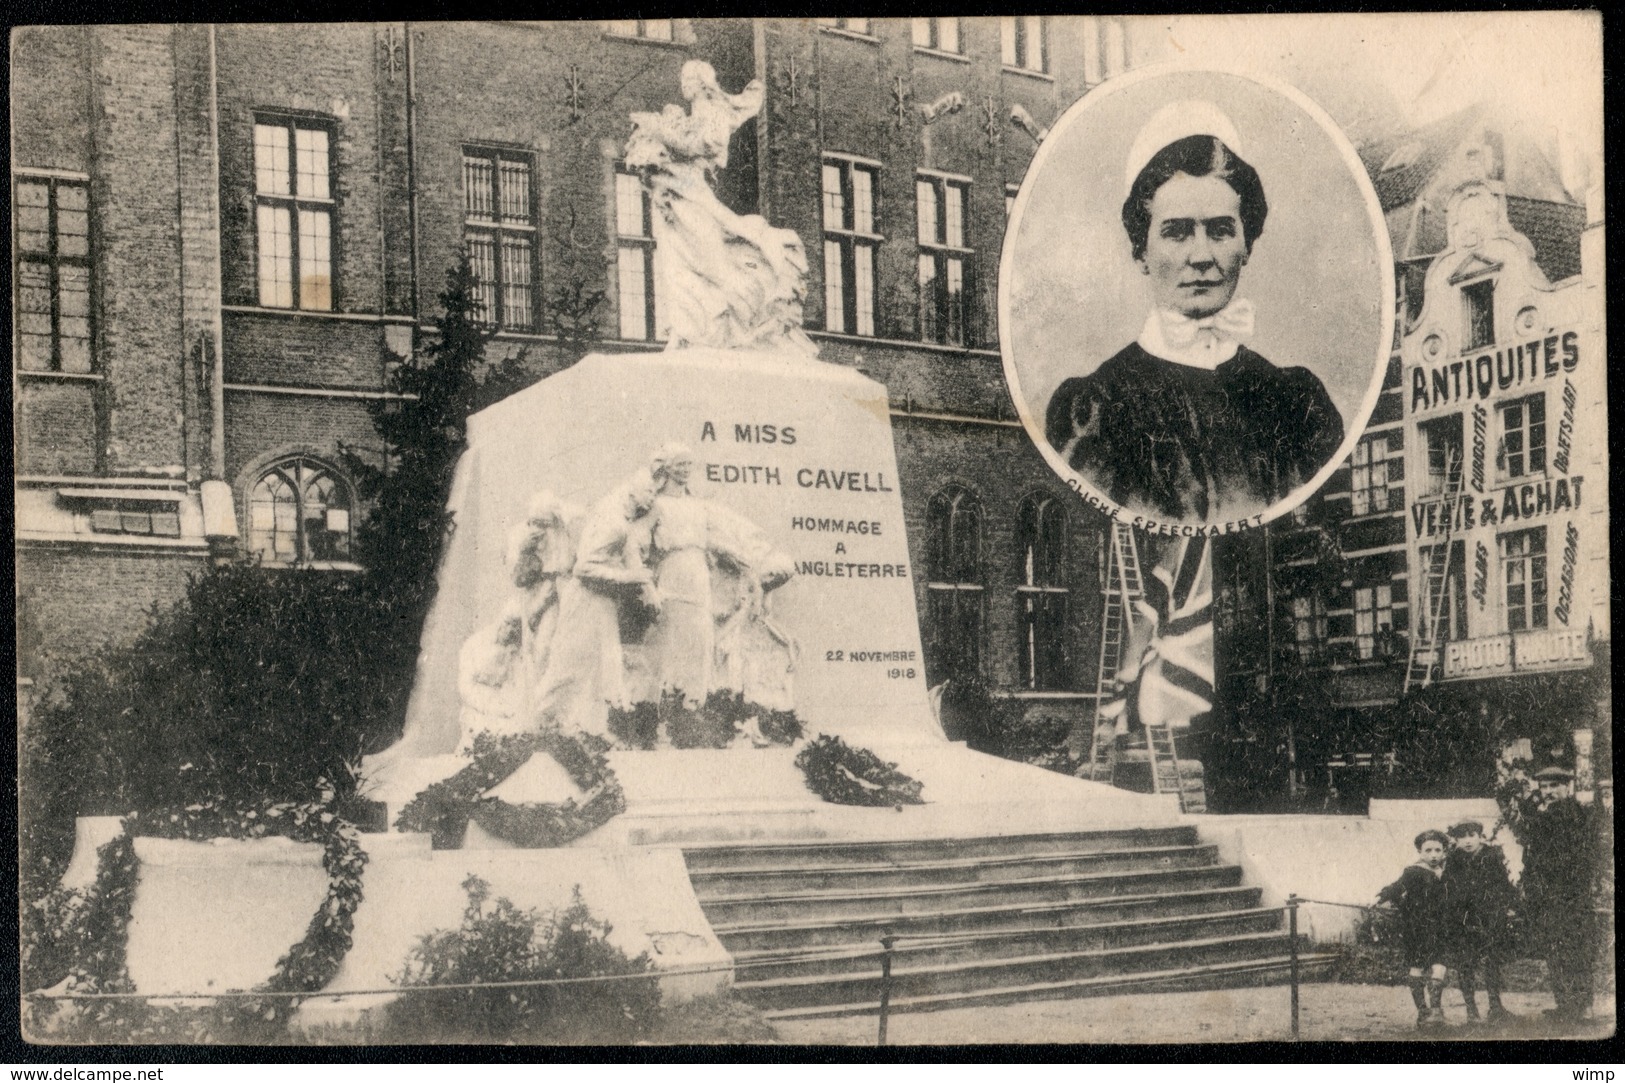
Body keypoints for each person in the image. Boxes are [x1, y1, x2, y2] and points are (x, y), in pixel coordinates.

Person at [1044, 101, 1344, 523]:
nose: (1201, 256)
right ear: (1141, 250)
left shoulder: (1295, 403)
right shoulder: (1094, 410)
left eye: (1220, 231)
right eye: (1177, 232)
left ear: (1247, 245)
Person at [1519, 764, 1603, 1024]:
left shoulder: (1579, 814)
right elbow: (1531, 855)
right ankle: (1565, 1004)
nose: (1548, 791)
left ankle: (1584, 1006)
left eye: (1554, 786)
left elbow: (1583, 856)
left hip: (1572, 895)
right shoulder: (1542, 815)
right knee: (1555, 949)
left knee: (1577, 949)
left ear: (1567, 787)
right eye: (1544, 787)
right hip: (1548, 896)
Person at [1376, 829, 1452, 1029]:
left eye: (1438, 850)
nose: (1433, 855)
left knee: (1440, 964)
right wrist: (1380, 898)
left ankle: (1435, 1012)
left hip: (1441, 928)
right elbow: (1397, 887)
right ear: (1420, 851)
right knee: (1417, 966)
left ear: (1444, 851)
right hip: (1416, 928)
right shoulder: (1413, 871)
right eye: (1428, 850)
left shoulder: (1447, 872)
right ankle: (1422, 1012)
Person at [1444, 819, 1516, 1024]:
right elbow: (1448, 887)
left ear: (1479, 836)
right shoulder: (1454, 859)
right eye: (1461, 837)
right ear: (1456, 840)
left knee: (1492, 962)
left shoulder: (1491, 856)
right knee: (1465, 963)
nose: (1467, 841)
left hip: (1490, 917)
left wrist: (1509, 906)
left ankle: (1495, 1007)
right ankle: (1471, 1010)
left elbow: (1503, 884)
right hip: (1464, 919)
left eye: (1471, 835)